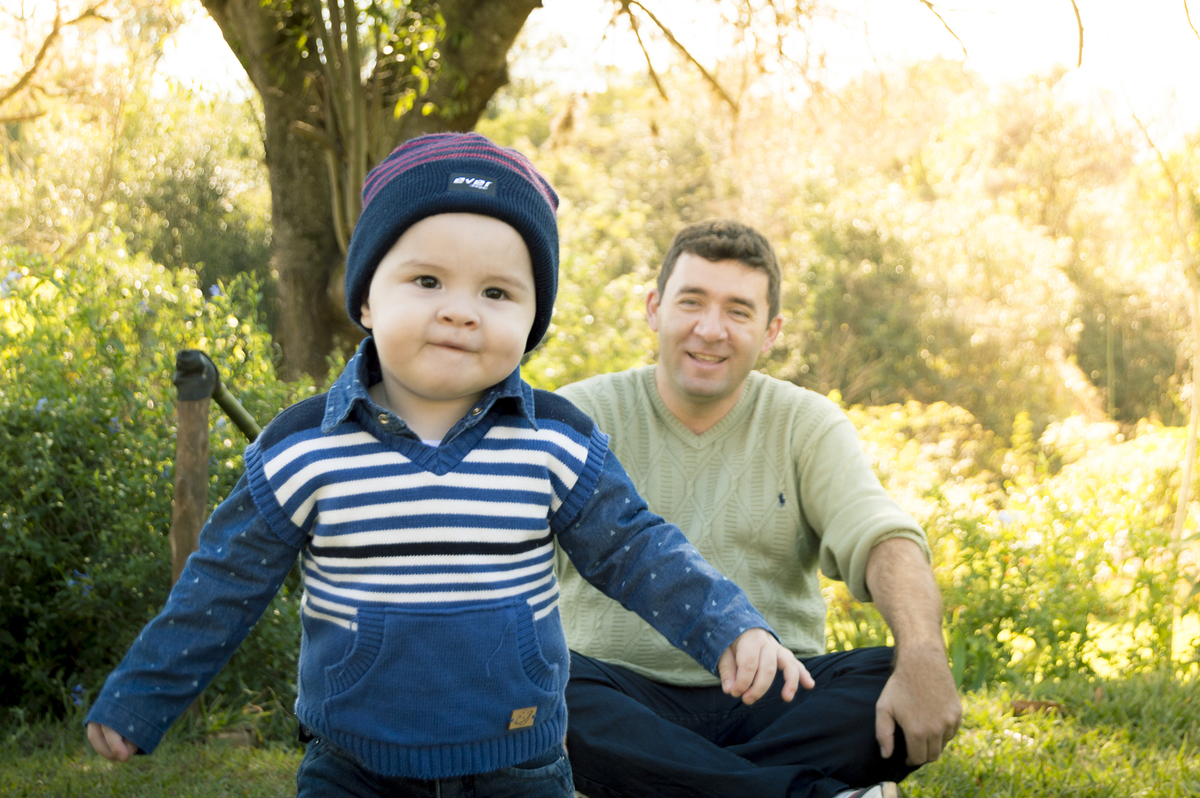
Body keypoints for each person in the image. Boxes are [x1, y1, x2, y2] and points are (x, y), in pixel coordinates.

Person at [84, 136, 808, 798]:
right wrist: (140, 696)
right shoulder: (302, 449)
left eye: (496, 293)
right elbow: (223, 582)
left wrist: (730, 627)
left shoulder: (554, 442)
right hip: (352, 766)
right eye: (426, 281)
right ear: (367, 297)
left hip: (518, 763)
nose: (461, 311)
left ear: (532, 322)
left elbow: (637, 549)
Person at [555, 219, 963, 798]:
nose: (710, 329)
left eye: (738, 311)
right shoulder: (579, 415)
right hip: (617, 694)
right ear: (654, 308)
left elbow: (883, 539)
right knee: (544, 685)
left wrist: (924, 655)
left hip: (776, 698)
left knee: (886, 679)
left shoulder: (806, 423)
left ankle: (655, 780)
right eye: (691, 302)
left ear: (771, 332)